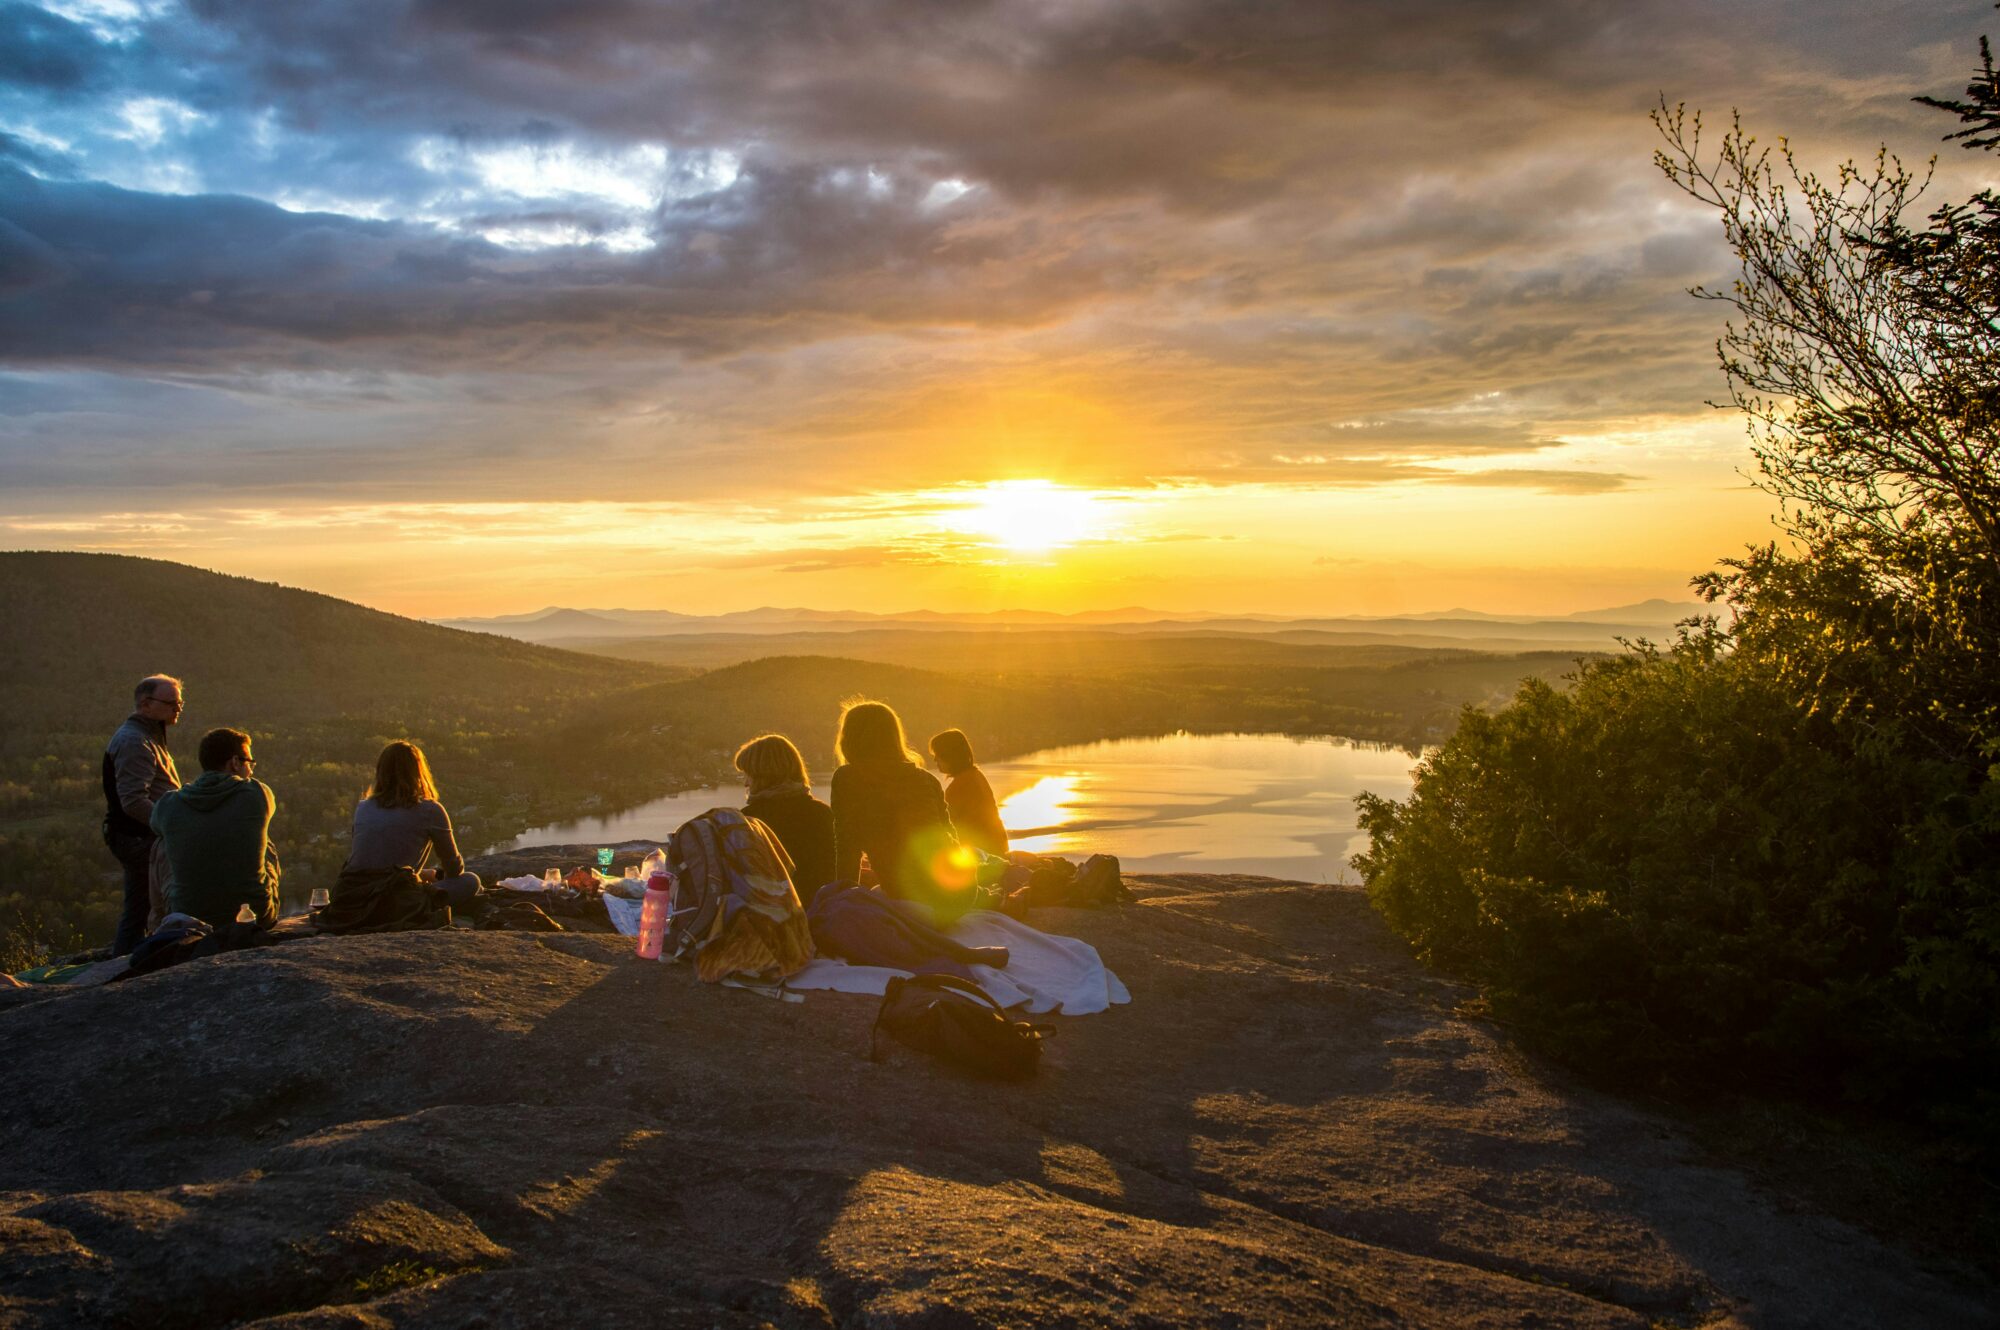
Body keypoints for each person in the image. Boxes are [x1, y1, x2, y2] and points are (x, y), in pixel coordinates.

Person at [830, 700, 970, 914]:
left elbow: (848, 848)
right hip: (960, 894)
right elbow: (952, 839)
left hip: (915, 900)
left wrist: (844, 904)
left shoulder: (848, 778)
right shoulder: (926, 779)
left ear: (849, 739)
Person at [151, 727, 281, 929]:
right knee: (264, 840)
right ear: (235, 763)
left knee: (160, 844)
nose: (252, 769)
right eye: (249, 762)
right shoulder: (258, 794)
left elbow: (155, 826)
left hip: (188, 918)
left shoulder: (169, 804)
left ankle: (159, 926)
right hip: (254, 917)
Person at [102, 674, 184, 954]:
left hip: (140, 835)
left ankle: (128, 960)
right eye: (171, 702)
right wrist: (170, 827)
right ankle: (127, 966)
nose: (178, 708)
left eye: (180, 702)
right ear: (146, 704)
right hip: (140, 837)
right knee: (144, 906)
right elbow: (134, 801)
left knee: (140, 906)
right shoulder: (135, 742)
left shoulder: (148, 736)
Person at [346, 741, 481, 906]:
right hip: (396, 902)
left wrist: (426, 875)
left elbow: (376, 863)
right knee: (470, 881)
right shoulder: (430, 810)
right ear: (418, 772)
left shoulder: (363, 807)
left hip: (353, 898)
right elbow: (454, 869)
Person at [735, 733, 835, 906]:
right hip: (823, 914)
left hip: (773, 921)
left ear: (762, 775)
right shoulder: (823, 813)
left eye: (748, 775)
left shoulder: (749, 821)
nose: (745, 783)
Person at [929, 728, 1008, 858]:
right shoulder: (975, 775)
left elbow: (946, 826)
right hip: (997, 848)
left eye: (938, 755)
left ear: (949, 755)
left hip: (982, 854)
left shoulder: (959, 786)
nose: (935, 760)